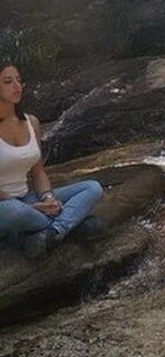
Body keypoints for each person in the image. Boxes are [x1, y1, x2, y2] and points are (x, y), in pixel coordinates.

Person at [0, 62, 104, 258]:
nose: (17, 86)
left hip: (28, 199)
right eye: (8, 81)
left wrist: (48, 198)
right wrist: (30, 208)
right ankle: (70, 226)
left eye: (19, 80)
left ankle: (52, 232)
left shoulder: (31, 122)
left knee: (92, 188)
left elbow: (38, 172)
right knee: (15, 211)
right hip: (6, 206)